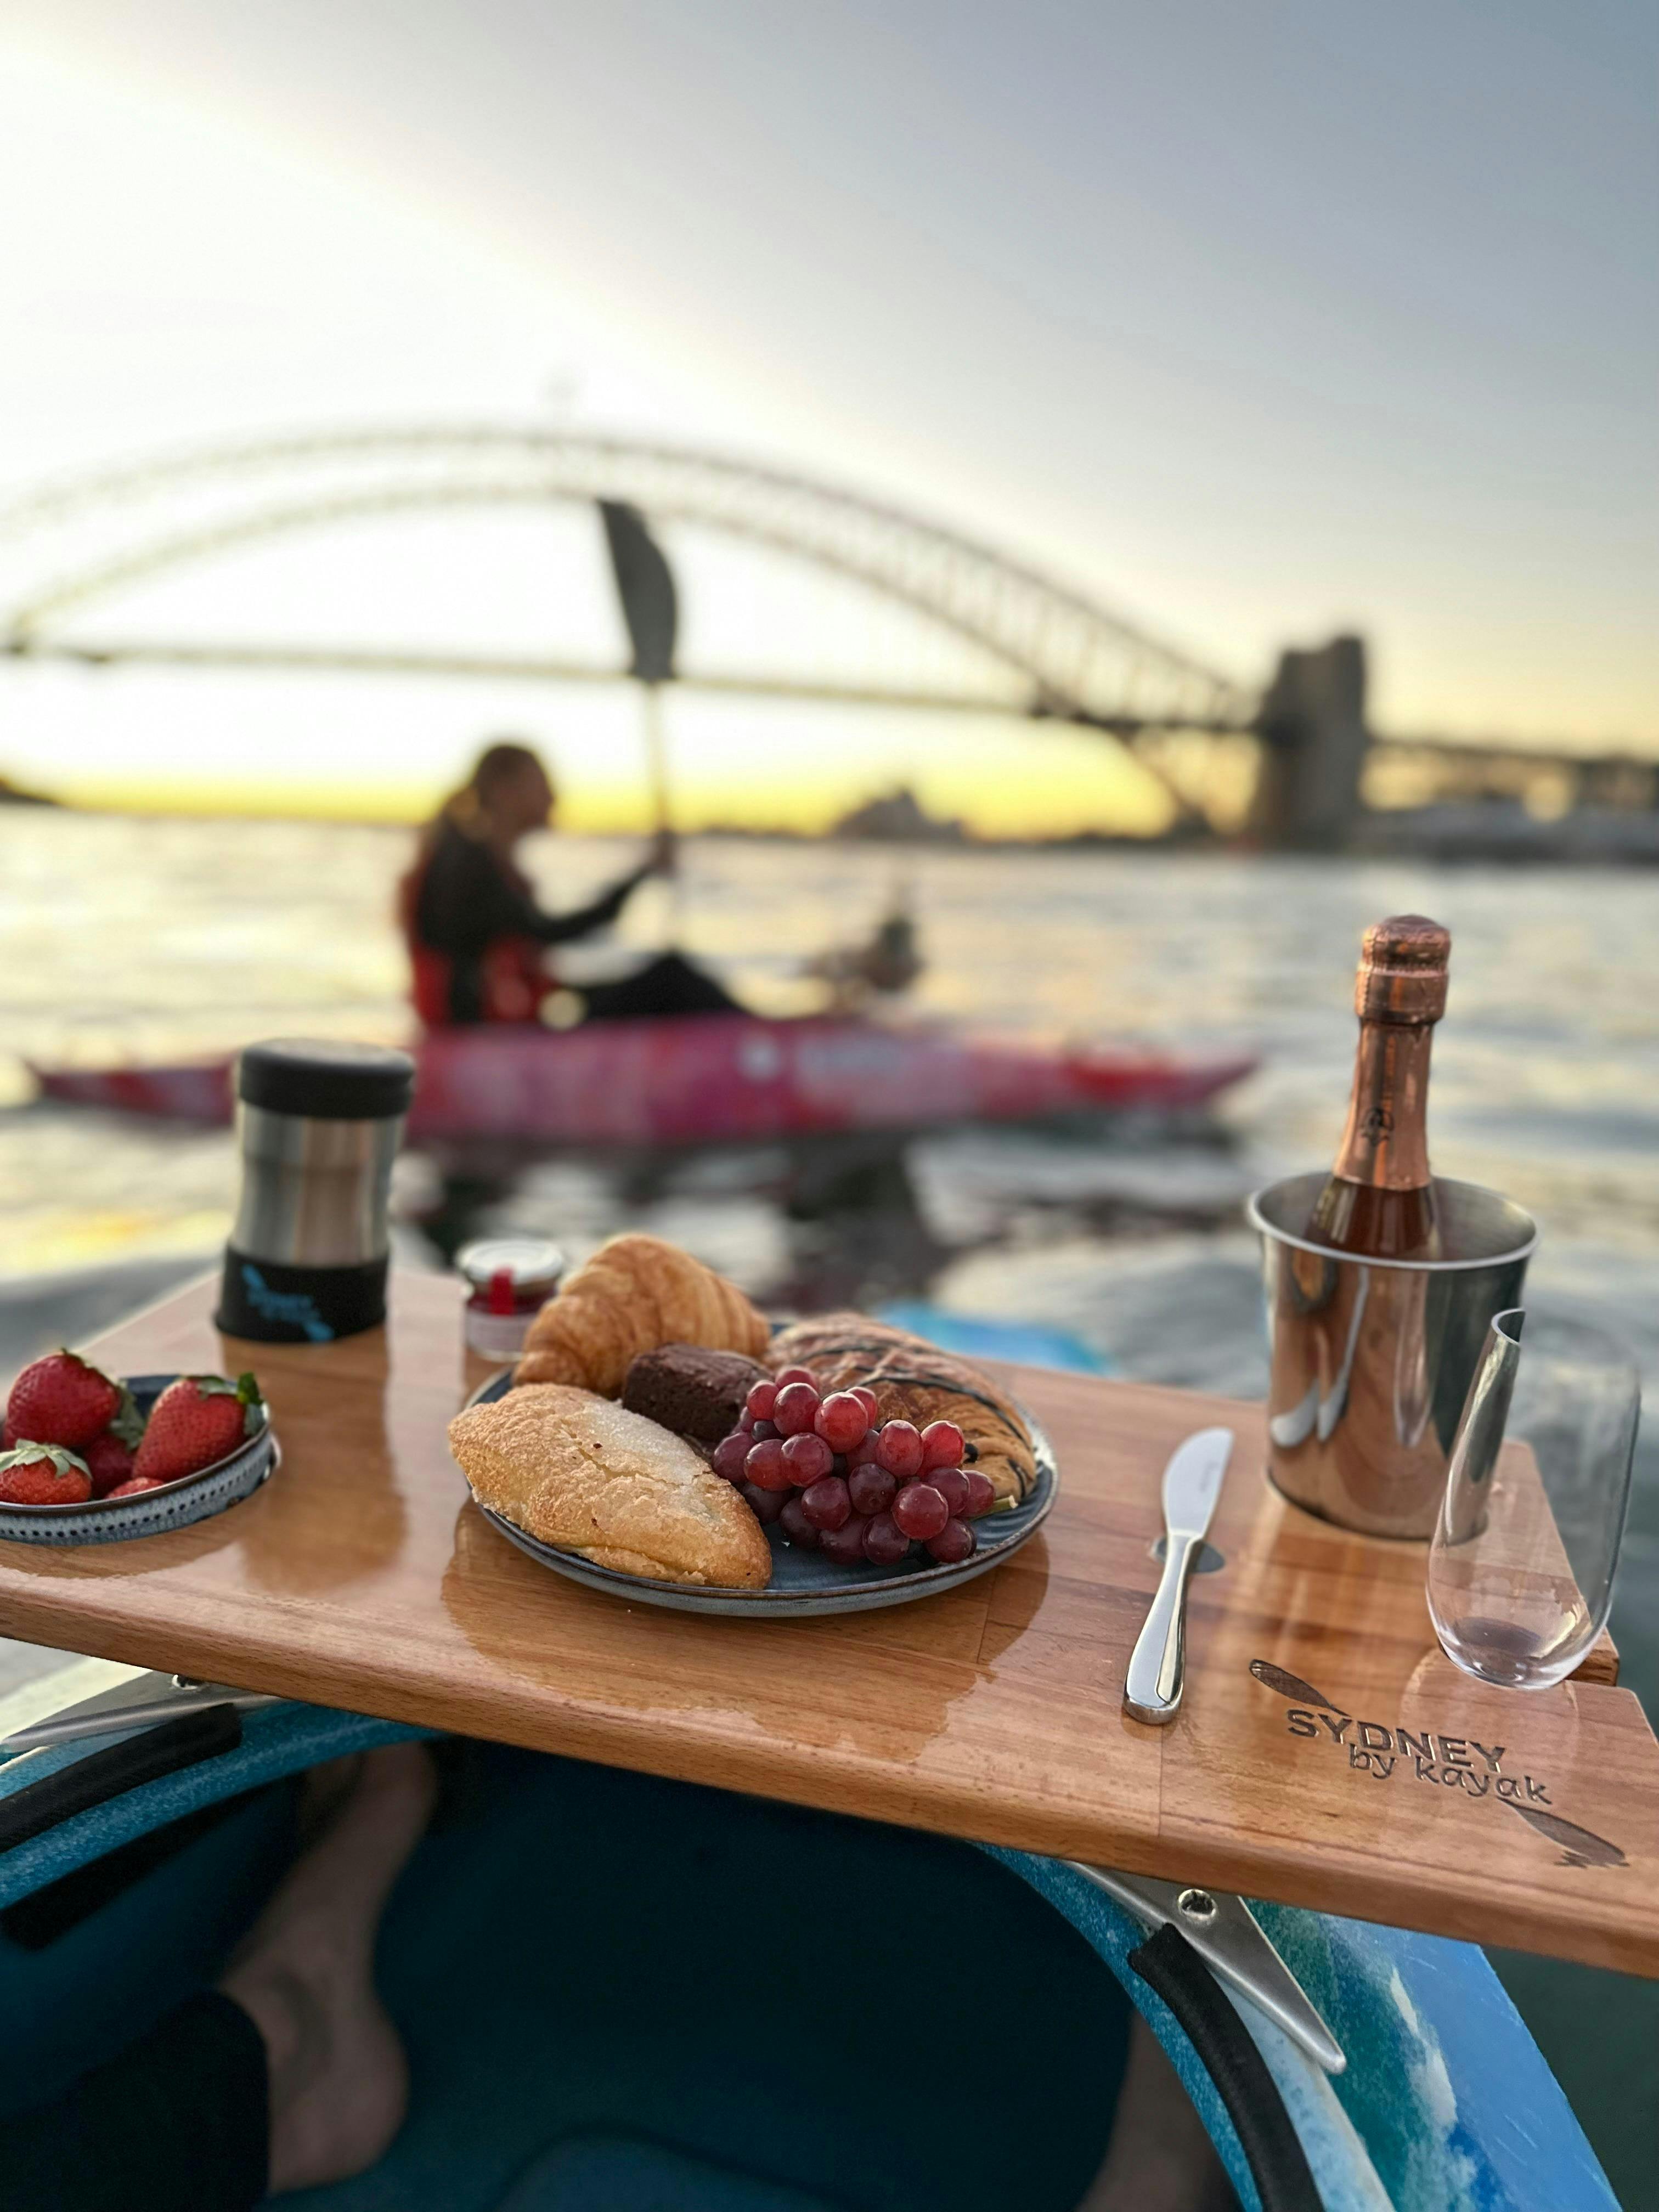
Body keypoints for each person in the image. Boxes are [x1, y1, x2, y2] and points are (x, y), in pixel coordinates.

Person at [399, 741, 744, 1028]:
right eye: (541, 783)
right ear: (505, 791)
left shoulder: (477, 861)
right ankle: (760, 1039)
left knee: (662, 977)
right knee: (669, 977)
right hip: (488, 1044)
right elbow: (552, 931)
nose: (554, 796)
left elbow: (527, 958)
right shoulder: (467, 867)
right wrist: (641, 876)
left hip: (510, 1031)